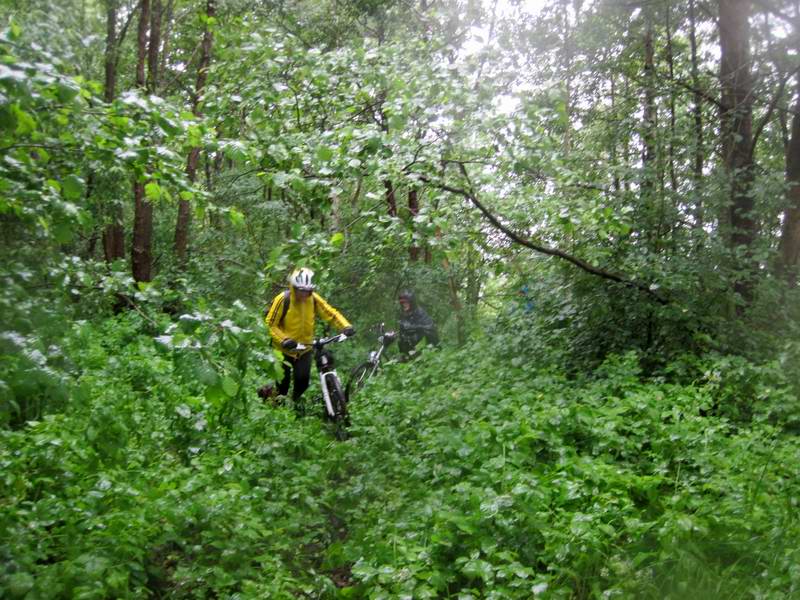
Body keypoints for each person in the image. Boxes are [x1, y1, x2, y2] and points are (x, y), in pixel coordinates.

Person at [265, 268, 354, 406]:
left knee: (303, 382)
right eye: (301, 290)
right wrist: (284, 340)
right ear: (294, 287)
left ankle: (292, 404)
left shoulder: (313, 299)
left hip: (304, 348)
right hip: (283, 350)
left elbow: (330, 313)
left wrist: (345, 326)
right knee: (282, 384)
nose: (304, 293)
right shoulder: (283, 299)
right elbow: (271, 325)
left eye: (308, 290)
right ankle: (273, 403)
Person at [396, 290, 439, 355]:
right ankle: (406, 356)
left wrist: (414, 327)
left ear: (411, 302)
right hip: (409, 349)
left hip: (424, 348)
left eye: (406, 303)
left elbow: (430, 328)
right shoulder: (404, 315)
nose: (404, 305)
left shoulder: (420, 313)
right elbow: (402, 332)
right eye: (402, 303)